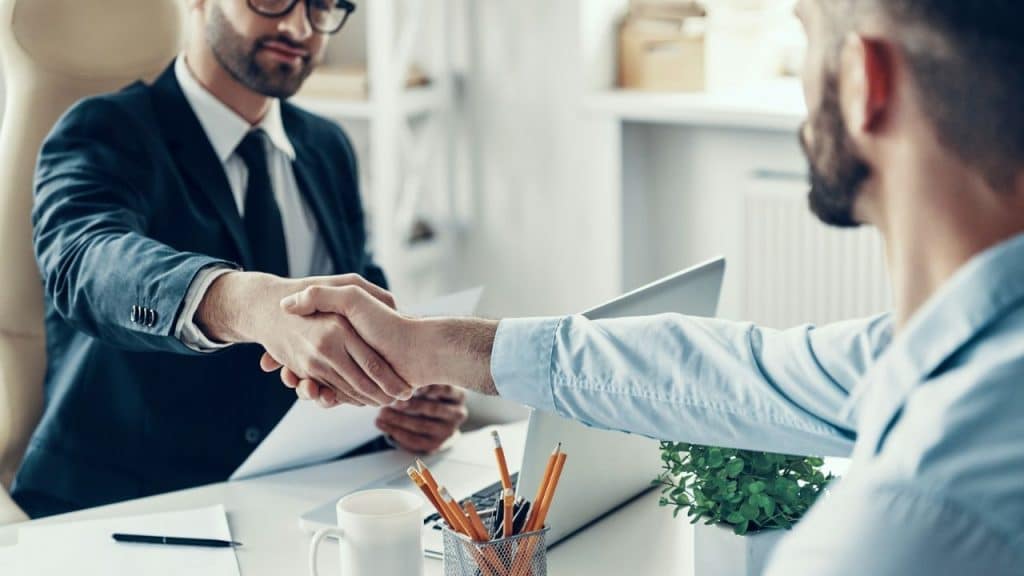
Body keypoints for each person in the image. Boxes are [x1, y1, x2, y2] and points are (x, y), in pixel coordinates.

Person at [264, 0, 1024, 574]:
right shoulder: (951, 349)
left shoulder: (913, 521)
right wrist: (428, 346)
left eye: (806, 33)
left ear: (863, 81)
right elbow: (740, 373)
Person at [13, 0, 467, 519]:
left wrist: (403, 394)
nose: (298, 27)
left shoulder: (327, 148)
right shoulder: (104, 129)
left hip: (293, 497)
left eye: (321, 6)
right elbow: (84, 262)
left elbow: (362, 300)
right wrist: (249, 305)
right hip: (130, 506)